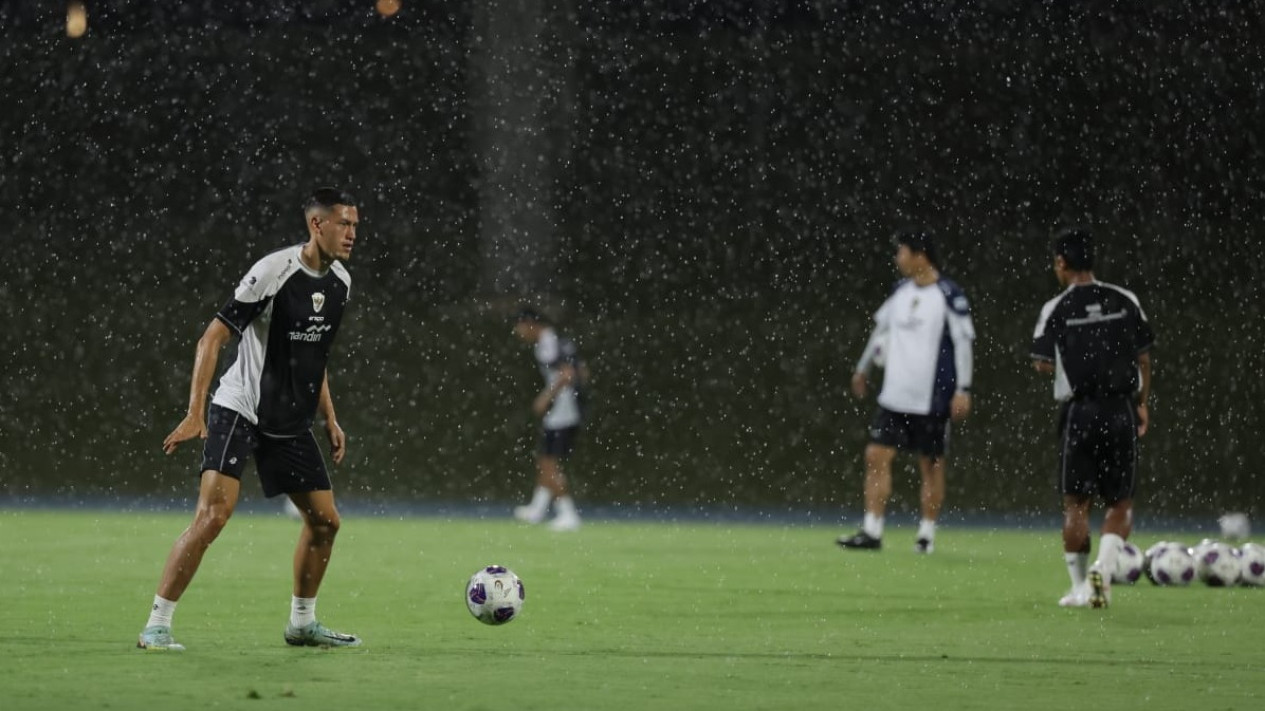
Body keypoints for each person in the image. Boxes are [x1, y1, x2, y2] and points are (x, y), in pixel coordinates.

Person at [137, 188, 362, 650]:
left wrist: (331, 419)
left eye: (356, 225)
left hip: (289, 422)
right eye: (344, 224)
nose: (352, 234)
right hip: (240, 409)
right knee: (213, 517)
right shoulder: (273, 272)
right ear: (316, 225)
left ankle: (302, 624)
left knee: (326, 522)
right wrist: (195, 413)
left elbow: (314, 358)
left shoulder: (341, 282)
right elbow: (211, 339)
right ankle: (156, 625)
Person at [1030, 227, 1153, 609]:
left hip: (1080, 411)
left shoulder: (1057, 308)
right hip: (1120, 409)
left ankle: (1081, 585)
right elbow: (1145, 358)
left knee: (1076, 503)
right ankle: (1105, 564)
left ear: (1061, 263)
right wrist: (1142, 403)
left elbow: (1041, 363)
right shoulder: (1124, 299)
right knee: (1120, 501)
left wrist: (1077, 358)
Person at [837, 232, 975, 554]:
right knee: (876, 456)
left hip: (932, 397)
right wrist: (863, 368)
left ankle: (926, 534)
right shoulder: (899, 292)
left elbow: (964, 344)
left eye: (902, 252)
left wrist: (963, 389)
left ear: (921, 256)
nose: (898, 259)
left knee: (931, 464)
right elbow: (880, 331)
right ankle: (872, 530)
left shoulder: (949, 295)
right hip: (894, 395)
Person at [511, 308, 587, 532]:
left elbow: (567, 374)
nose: (518, 332)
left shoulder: (549, 342)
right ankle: (538, 508)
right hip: (568, 408)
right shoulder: (559, 341)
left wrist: (547, 397)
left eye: (520, 326)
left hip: (564, 411)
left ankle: (568, 513)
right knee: (545, 457)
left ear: (530, 324)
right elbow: (582, 371)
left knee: (549, 462)